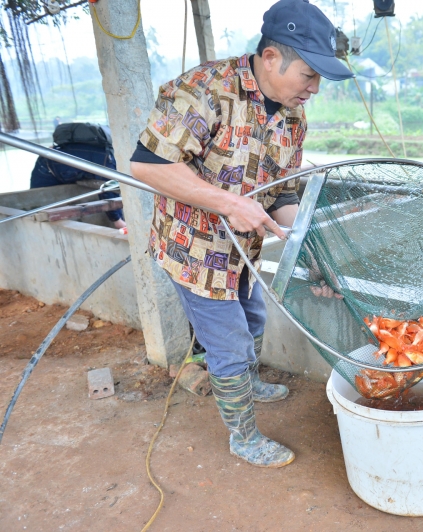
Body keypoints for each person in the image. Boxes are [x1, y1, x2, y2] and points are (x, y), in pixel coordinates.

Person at [130, 0, 352, 468]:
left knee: (252, 323)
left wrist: (311, 248)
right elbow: (148, 165)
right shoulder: (202, 90)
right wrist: (229, 203)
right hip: (193, 249)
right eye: (309, 75)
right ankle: (243, 436)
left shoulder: (293, 117)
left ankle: (247, 384)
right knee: (228, 344)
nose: (313, 89)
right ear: (272, 57)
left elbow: (282, 197)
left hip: (241, 251)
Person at [30, 122, 126, 229]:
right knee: (36, 209)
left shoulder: (108, 153)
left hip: (56, 164)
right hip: (47, 168)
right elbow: (108, 188)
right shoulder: (108, 160)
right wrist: (117, 220)